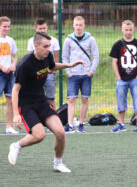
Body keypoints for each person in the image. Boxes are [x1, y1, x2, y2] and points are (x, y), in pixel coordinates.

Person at [8, 32, 83, 172]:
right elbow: (15, 90)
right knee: (39, 135)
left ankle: (58, 164)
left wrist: (69, 65)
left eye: (50, 46)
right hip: (26, 104)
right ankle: (17, 146)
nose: (49, 49)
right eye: (45, 46)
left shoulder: (47, 56)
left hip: (41, 100)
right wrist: (15, 115)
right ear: (35, 46)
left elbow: (52, 66)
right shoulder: (24, 64)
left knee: (60, 132)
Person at [62, 16, 99, 133]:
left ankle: (81, 124)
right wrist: (68, 71)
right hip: (73, 75)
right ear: (73, 25)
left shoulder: (91, 39)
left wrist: (91, 71)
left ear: (84, 25)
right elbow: (64, 57)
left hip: (86, 75)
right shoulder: (68, 40)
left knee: (84, 100)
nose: (78, 27)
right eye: (76, 25)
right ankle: (70, 125)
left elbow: (96, 56)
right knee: (71, 100)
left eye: (80, 25)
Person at [110, 20, 137, 132]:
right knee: (121, 101)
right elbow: (114, 61)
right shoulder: (117, 45)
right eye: (126, 30)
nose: (128, 32)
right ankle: (121, 124)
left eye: (130, 30)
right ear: (122, 29)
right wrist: (118, 77)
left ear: (133, 29)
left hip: (135, 78)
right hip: (122, 79)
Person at [27, 18, 60, 108]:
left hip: (49, 73)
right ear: (36, 29)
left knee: (50, 97)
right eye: (40, 29)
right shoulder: (31, 41)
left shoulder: (54, 40)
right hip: (36, 74)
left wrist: (52, 70)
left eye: (44, 28)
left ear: (47, 28)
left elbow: (56, 58)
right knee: (35, 97)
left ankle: (53, 116)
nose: (42, 30)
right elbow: (30, 58)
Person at [0, 16, 19, 134]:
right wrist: (2, 67)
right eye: (4, 26)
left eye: (8, 26)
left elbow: (15, 56)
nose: (7, 29)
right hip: (0, 73)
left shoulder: (11, 40)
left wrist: (13, 65)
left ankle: (9, 127)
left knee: (10, 99)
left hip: (9, 74)